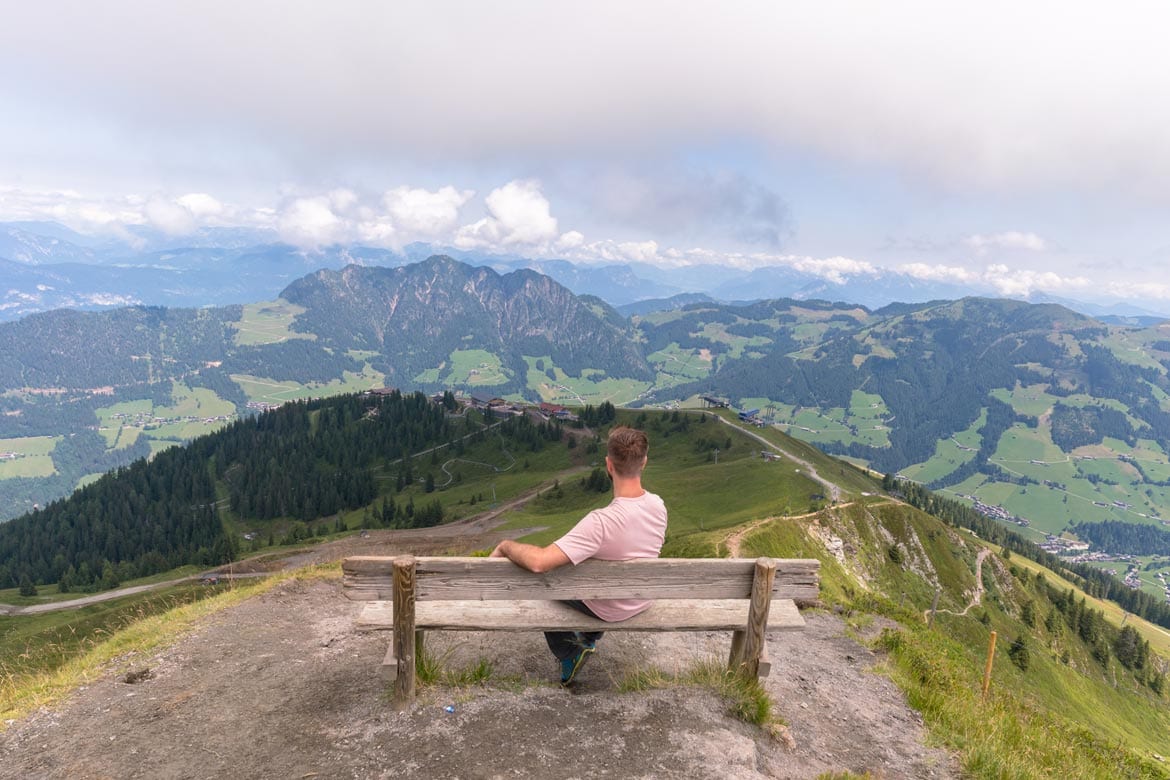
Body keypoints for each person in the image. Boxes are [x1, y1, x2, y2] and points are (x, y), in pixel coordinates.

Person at [490, 425, 668, 686]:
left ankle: (571, 652)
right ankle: (588, 636)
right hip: (639, 600)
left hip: (609, 607)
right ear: (644, 462)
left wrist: (505, 546)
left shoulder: (601, 522)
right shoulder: (658, 505)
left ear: (609, 465)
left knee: (541, 579)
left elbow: (540, 563)